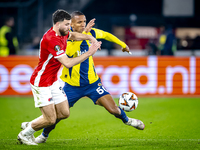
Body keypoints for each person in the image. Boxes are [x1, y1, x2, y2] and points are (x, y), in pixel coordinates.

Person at [34, 11, 145, 143]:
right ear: (71, 25)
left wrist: (123, 44)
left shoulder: (91, 33)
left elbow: (106, 35)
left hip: (93, 84)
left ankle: (128, 120)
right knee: (58, 115)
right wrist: (84, 35)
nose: (83, 24)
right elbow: (70, 53)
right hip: (71, 86)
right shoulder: (64, 39)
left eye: (84, 21)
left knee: (113, 109)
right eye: (79, 22)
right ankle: (43, 135)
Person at [17, 9, 101, 145]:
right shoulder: (52, 40)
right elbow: (67, 63)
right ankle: (24, 135)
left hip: (53, 81)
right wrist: (89, 53)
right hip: (42, 82)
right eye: (67, 24)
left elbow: (73, 35)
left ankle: (31, 124)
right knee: (50, 119)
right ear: (57, 23)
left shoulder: (62, 32)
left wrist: (90, 37)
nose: (69, 27)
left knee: (63, 113)